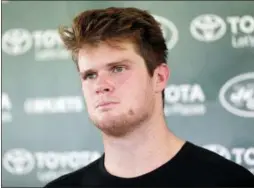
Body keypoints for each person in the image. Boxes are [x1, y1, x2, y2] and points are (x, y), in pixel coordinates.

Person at [45, 7, 254, 187]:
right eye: (90, 75)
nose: (100, 85)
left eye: (118, 69)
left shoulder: (229, 181)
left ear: (159, 77)